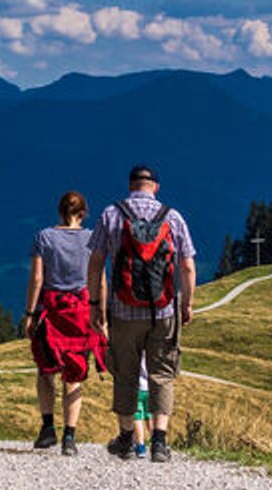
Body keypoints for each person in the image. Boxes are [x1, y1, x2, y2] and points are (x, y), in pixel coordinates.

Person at [87, 164, 195, 462]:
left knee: (125, 372)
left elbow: (95, 262)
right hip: (163, 311)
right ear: (156, 187)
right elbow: (187, 265)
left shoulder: (111, 214)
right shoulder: (172, 217)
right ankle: (159, 441)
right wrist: (187, 303)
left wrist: (95, 305)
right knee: (161, 372)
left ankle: (125, 437)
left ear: (131, 185)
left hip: (123, 310)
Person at [24, 190, 106, 455]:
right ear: (82, 214)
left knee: (45, 370)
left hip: (53, 311)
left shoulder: (44, 237)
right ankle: (70, 437)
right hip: (82, 312)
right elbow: (100, 280)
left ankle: (48, 428)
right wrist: (102, 315)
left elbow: (37, 279)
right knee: (75, 374)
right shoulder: (93, 239)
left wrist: (30, 313)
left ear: (60, 211)